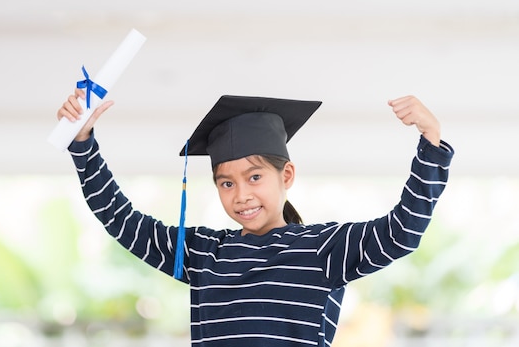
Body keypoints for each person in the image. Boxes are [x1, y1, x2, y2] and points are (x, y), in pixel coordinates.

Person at [57, 91, 454, 347]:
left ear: (287, 176)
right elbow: (122, 220)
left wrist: (431, 141)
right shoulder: (204, 254)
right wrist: (83, 144)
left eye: (255, 177)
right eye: (225, 183)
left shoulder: (322, 249)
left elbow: (402, 232)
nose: (241, 195)